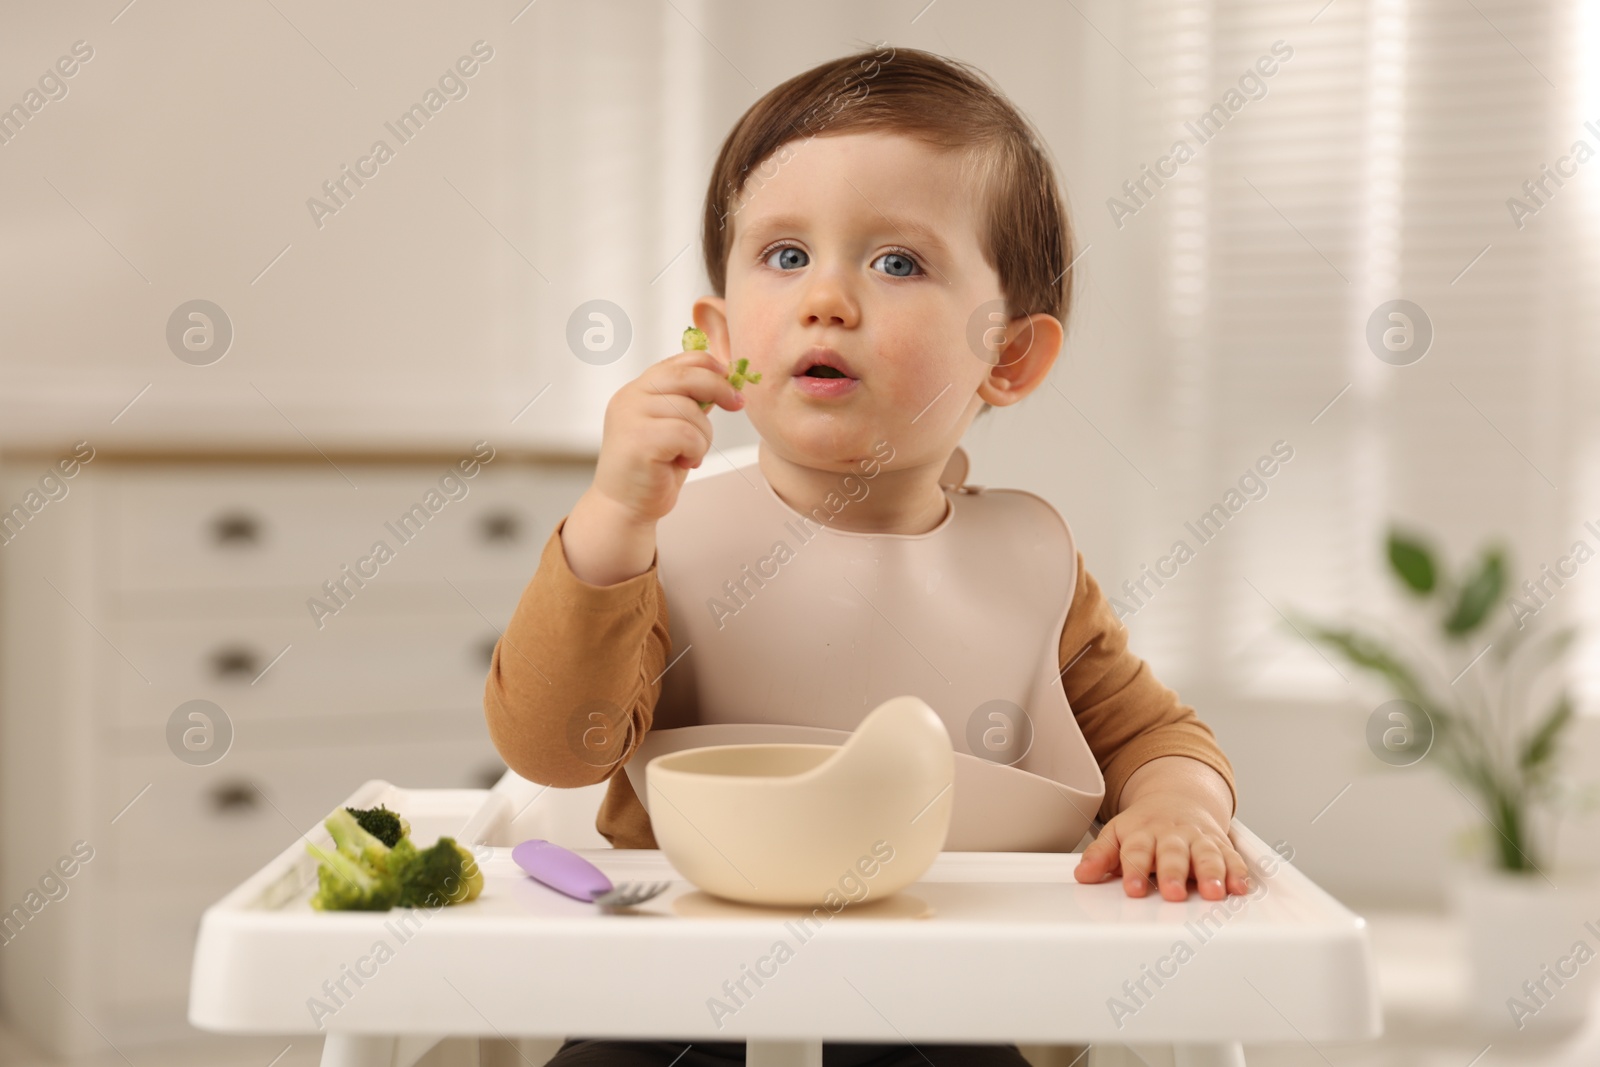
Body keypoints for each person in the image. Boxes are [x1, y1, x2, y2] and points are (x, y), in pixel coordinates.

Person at [484, 43, 1246, 1067]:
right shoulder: (662, 546)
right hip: (677, 1005)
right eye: (785, 255)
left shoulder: (1029, 565)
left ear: (1009, 356)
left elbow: (1153, 733)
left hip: (946, 1012)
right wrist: (612, 524)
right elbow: (552, 745)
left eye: (896, 262)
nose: (827, 298)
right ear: (718, 335)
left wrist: (1175, 806)